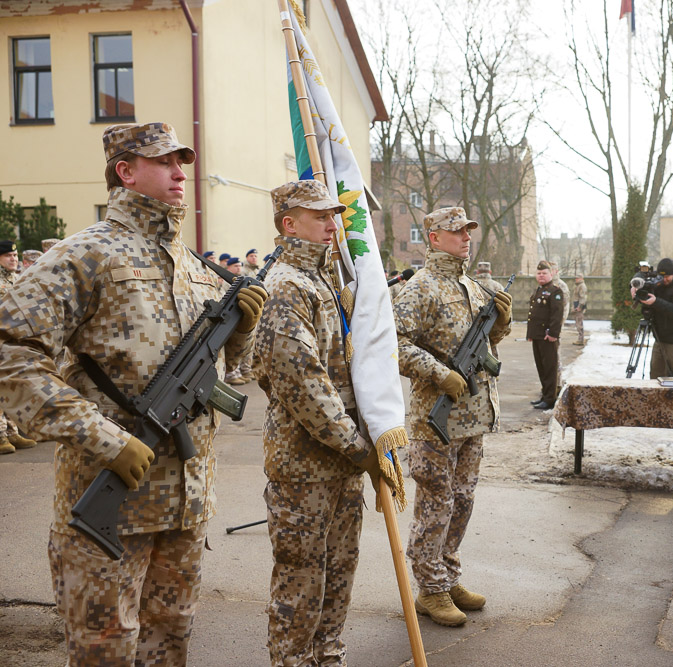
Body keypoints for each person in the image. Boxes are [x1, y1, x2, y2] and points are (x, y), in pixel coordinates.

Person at [0, 121, 266, 664]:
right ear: (125, 171)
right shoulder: (86, 254)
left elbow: (229, 373)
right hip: (110, 503)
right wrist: (100, 436)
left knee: (170, 642)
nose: (179, 172)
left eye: (182, 162)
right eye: (165, 161)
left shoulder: (193, 265)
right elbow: (11, 353)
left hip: (186, 503)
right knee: (106, 651)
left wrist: (241, 334)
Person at [256, 179, 395, 665]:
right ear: (288, 223)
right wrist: (359, 446)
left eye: (334, 216)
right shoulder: (286, 286)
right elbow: (304, 385)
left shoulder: (325, 282)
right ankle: (293, 660)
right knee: (301, 579)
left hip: (342, 461)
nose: (333, 225)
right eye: (321, 217)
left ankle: (328, 654)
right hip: (304, 465)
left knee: (339, 571)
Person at [393, 206, 512, 627]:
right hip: (435, 423)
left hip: (474, 417)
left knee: (461, 502)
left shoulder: (475, 287)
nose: (465, 237)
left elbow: (489, 345)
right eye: (455, 231)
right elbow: (396, 344)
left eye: (467, 230)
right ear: (434, 237)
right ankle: (429, 588)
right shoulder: (419, 288)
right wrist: (439, 373)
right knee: (436, 504)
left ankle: (447, 573)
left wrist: (501, 323)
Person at [0, 240, 37, 454]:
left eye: (14, 255)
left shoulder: (19, 279)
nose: (13, 259)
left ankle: (12, 431)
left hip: (15, 340)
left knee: (10, 387)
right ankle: (1, 435)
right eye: (7, 256)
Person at [632, 257, 673, 378]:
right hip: (660, 337)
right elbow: (643, 278)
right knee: (656, 374)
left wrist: (655, 302)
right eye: (661, 276)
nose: (664, 280)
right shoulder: (659, 281)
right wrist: (635, 287)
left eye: (667, 277)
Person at [526, 260, 563, 410]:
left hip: (548, 337)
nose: (541, 275)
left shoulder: (555, 292)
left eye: (544, 273)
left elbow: (556, 314)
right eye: (539, 273)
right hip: (538, 336)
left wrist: (553, 333)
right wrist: (531, 334)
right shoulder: (539, 290)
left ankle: (550, 399)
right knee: (541, 367)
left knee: (549, 368)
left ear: (551, 274)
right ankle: (545, 395)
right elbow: (533, 315)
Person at [571, 274, 587, 345]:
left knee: (579, 323)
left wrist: (579, 307)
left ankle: (580, 340)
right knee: (578, 322)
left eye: (577, 278)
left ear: (581, 278)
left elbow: (582, 297)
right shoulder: (578, 286)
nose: (576, 279)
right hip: (576, 306)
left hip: (579, 307)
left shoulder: (582, 286)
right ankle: (580, 339)